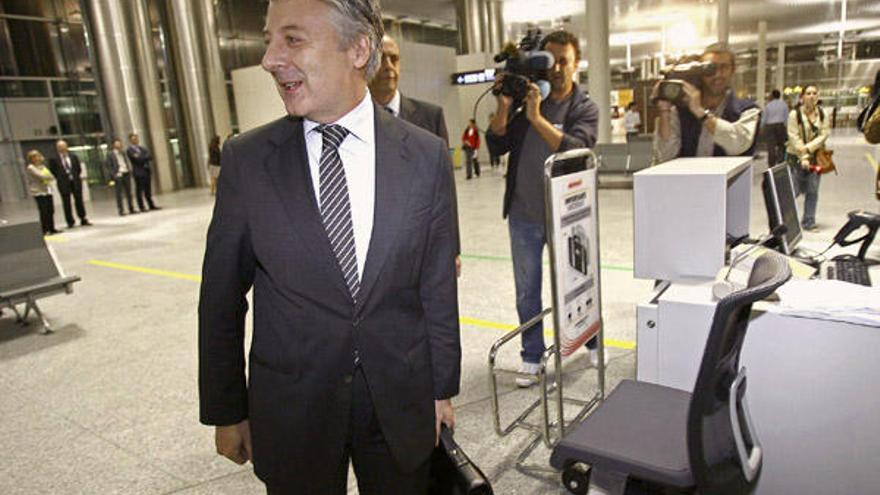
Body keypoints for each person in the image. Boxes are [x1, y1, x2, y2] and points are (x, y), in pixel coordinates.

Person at [199, 0, 460, 493]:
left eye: (293, 39)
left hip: (400, 402)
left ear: (358, 48)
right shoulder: (247, 161)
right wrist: (227, 410)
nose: (270, 59)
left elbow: (437, 284)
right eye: (269, 40)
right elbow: (220, 298)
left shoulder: (425, 155)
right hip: (293, 409)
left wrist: (442, 388)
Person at [486, 30, 599, 387]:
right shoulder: (529, 100)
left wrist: (537, 119)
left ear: (575, 62)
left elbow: (576, 148)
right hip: (524, 215)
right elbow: (496, 144)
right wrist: (506, 107)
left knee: (579, 281)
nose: (558, 68)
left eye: (564, 60)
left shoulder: (584, 107)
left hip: (568, 217)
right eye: (551, 61)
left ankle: (591, 340)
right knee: (527, 290)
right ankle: (532, 356)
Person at [368, 33, 461, 276]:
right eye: (381, 59)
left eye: (394, 59)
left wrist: (453, 248)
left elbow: (445, 189)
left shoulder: (430, 117)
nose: (388, 66)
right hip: (374, 251)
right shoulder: (353, 121)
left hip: (425, 243)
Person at [653, 43, 761, 163]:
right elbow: (665, 156)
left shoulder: (748, 110)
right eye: (710, 69)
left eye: (724, 67)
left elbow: (737, 145)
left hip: (729, 181)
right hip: (689, 180)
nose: (717, 74)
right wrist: (664, 111)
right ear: (700, 73)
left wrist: (700, 113)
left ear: (733, 70)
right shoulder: (681, 111)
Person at [786, 85, 830, 231]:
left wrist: (808, 149)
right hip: (795, 157)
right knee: (793, 190)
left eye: (814, 93)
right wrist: (803, 155)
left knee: (813, 190)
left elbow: (824, 135)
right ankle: (786, 222)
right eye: (808, 93)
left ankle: (809, 221)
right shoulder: (795, 115)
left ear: (818, 96)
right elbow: (793, 137)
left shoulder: (823, 114)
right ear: (802, 97)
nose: (811, 96)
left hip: (815, 158)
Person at [47, 140, 91, 228]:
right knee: (66, 202)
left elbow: (78, 169)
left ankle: (83, 218)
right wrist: (62, 177)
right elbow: (53, 171)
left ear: (67, 147)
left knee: (79, 200)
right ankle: (70, 221)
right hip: (63, 183)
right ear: (57, 148)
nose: (62, 148)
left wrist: (74, 176)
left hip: (75, 181)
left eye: (64, 146)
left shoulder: (73, 156)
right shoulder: (53, 159)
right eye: (60, 147)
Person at [25, 150, 59, 235]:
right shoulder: (31, 167)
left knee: (50, 210)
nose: (38, 158)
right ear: (31, 159)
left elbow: (51, 176)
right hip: (38, 192)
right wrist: (46, 176)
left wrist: (46, 176)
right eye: (35, 157)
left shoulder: (42, 166)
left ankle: (52, 228)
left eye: (38, 156)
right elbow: (41, 176)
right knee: (44, 211)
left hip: (47, 190)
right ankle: (45, 229)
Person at [126, 133, 160, 211]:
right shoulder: (130, 150)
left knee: (148, 189)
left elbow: (150, 156)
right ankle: (141, 207)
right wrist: (144, 157)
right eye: (133, 139)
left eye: (136, 139)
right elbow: (137, 160)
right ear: (130, 140)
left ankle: (151, 205)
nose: (135, 140)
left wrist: (141, 156)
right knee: (139, 190)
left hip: (146, 171)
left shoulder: (142, 148)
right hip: (138, 173)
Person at [105, 138, 136, 216]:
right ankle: (121, 210)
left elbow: (125, 161)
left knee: (129, 192)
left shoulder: (123, 153)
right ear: (113, 145)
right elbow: (108, 166)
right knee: (119, 193)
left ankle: (131, 208)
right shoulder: (110, 154)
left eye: (119, 143)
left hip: (126, 172)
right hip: (118, 174)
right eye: (117, 143)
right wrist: (114, 175)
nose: (119, 145)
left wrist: (128, 169)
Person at [761, 89, 789, 166]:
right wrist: (786, 128)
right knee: (781, 146)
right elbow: (786, 117)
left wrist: (761, 127)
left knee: (771, 146)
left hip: (770, 127)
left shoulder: (768, 105)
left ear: (772, 96)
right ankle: (780, 162)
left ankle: (771, 164)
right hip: (780, 126)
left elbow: (764, 118)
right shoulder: (784, 104)